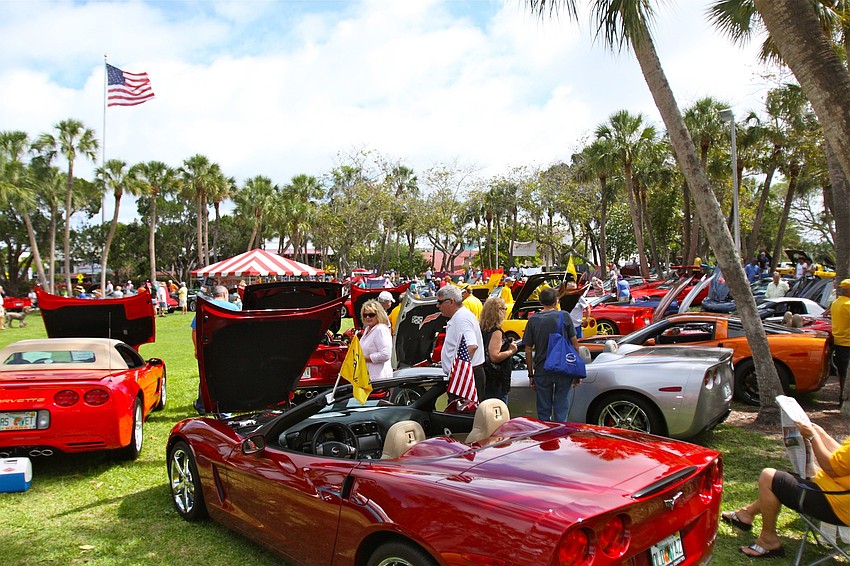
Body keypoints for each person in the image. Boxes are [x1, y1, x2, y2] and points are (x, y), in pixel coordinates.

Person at [721, 420, 849, 558]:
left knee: (768, 477)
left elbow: (832, 468)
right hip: (836, 494)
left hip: (836, 504)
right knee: (781, 481)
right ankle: (746, 514)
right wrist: (823, 435)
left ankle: (768, 541)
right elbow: (843, 459)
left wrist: (813, 437)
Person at [523, 287, 581, 422]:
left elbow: (528, 350)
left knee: (543, 410)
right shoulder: (564, 316)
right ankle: (559, 437)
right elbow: (575, 345)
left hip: (542, 369)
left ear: (541, 301)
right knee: (561, 409)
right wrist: (576, 371)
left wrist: (531, 374)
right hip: (563, 368)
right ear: (556, 301)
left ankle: (547, 438)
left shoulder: (533, 320)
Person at [191, 285, 241, 414]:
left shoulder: (204, 307)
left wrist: (197, 348)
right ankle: (225, 408)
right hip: (228, 349)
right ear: (225, 295)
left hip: (208, 347)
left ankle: (203, 405)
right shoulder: (234, 308)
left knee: (206, 375)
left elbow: (195, 330)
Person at [437, 285, 486, 399]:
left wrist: (458, 373)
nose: (437, 306)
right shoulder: (460, 316)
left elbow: (472, 346)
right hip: (466, 375)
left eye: (440, 302)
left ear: (451, 301)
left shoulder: (461, 318)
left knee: (464, 415)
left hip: (466, 377)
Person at [479, 297, 518, 401]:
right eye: (504, 309)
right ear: (498, 311)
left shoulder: (481, 328)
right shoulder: (496, 332)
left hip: (484, 375)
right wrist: (511, 351)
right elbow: (494, 356)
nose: (506, 311)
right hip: (496, 379)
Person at [359, 299, 393, 381]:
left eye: (371, 315)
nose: (367, 317)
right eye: (365, 315)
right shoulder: (368, 329)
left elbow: (385, 354)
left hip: (379, 378)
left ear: (378, 315)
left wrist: (364, 358)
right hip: (367, 376)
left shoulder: (380, 329)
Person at [831, 278, 850, 409]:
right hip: (848, 343)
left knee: (842, 373)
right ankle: (845, 398)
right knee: (846, 373)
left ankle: (842, 398)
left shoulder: (835, 303)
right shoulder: (848, 305)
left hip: (839, 342)